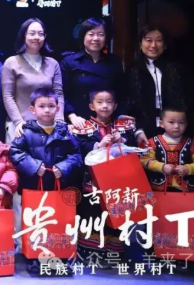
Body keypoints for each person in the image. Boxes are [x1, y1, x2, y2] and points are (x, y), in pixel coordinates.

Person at [9, 88, 82, 273]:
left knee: (59, 221)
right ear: (33, 110)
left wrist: (63, 167)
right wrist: (34, 166)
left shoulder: (64, 131)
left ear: (57, 108)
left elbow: (76, 155)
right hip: (34, 185)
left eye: (51, 106)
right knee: (35, 221)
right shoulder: (26, 131)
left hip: (59, 186)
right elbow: (15, 152)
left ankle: (62, 255)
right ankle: (34, 257)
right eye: (42, 106)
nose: (47, 110)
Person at [69, 89, 137, 262]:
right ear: (92, 106)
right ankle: (90, 253)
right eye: (100, 102)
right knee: (93, 214)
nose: (105, 106)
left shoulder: (123, 126)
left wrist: (122, 141)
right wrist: (98, 145)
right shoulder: (83, 126)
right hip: (92, 182)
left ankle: (113, 253)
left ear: (115, 105)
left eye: (109, 102)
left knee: (116, 215)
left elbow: (134, 146)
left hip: (117, 181)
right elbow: (78, 148)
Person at [127, 25, 194, 147]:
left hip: (178, 131)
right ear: (140, 44)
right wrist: (138, 130)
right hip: (145, 133)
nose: (153, 45)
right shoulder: (132, 71)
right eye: (148, 40)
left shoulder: (179, 68)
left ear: (165, 44)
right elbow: (129, 105)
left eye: (159, 40)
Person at [2, 18, 64, 142]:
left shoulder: (53, 64)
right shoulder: (11, 62)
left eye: (41, 34)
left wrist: (59, 119)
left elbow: (58, 94)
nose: (37, 37)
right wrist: (18, 122)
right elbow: (8, 96)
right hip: (20, 127)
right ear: (23, 35)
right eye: (32, 33)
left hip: (49, 126)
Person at [60, 18, 126, 128]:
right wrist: (72, 116)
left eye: (101, 34)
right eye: (91, 34)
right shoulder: (70, 62)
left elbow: (122, 94)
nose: (96, 38)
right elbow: (61, 94)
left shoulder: (114, 62)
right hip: (78, 122)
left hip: (108, 122)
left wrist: (120, 116)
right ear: (83, 36)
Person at [141, 107, 194, 192]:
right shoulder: (152, 142)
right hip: (157, 190)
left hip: (187, 191)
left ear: (186, 124)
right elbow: (144, 160)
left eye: (181, 122)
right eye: (171, 122)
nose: (177, 126)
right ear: (161, 123)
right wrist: (161, 167)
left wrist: (188, 169)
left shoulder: (193, 143)